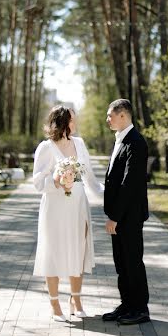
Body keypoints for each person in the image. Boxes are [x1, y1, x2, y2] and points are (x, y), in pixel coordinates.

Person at [32, 105, 104, 322]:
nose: (76, 123)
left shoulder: (80, 144)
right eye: (72, 120)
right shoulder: (46, 147)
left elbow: (90, 177)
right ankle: (55, 304)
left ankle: (76, 299)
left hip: (79, 205)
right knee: (53, 252)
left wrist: (108, 197)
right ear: (62, 122)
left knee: (78, 251)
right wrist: (56, 181)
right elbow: (37, 182)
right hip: (55, 207)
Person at [102, 98, 150, 325]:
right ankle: (127, 304)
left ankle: (140, 309)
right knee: (121, 263)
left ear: (123, 115)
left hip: (129, 216)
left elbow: (129, 184)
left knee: (132, 262)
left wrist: (114, 216)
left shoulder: (136, 142)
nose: (107, 119)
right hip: (119, 216)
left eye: (110, 115)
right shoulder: (120, 140)